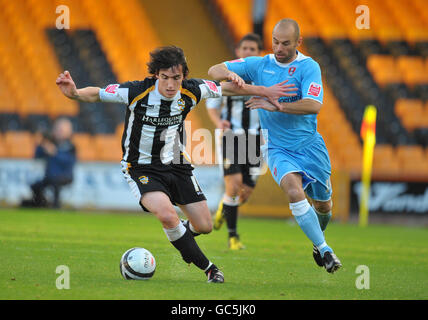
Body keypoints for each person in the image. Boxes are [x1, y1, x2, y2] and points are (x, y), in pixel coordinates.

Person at [56, 46, 296, 283]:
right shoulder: (136, 91)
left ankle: (180, 236)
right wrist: (75, 93)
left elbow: (228, 89)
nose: (171, 84)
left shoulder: (192, 91)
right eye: (165, 78)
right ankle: (210, 269)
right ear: (155, 76)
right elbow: (97, 93)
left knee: (205, 226)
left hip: (177, 165)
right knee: (167, 215)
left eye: (176, 78)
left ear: (184, 76)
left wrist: (264, 90)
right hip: (141, 167)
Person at [208, 19, 342, 273]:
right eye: (275, 42)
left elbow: (314, 105)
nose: (279, 48)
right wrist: (234, 76)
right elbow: (214, 72)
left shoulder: (308, 67)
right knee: (293, 191)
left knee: (323, 205)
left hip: (310, 146)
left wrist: (277, 105)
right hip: (277, 147)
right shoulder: (260, 64)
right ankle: (325, 250)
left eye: (286, 43)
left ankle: (317, 241)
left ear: (298, 43)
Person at [205, 33, 264, 250]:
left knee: (245, 192)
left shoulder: (264, 77)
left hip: (257, 139)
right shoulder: (226, 76)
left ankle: (222, 209)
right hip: (232, 136)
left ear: (259, 53)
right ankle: (233, 238)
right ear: (238, 52)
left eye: (253, 49)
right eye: (245, 49)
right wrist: (218, 122)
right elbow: (212, 105)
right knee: (234, 183)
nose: (248, 52)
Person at [28, 118, 76, 208]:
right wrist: (41, 144)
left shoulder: (70, 146)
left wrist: (55, 152)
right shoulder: (50, 142)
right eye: (57, 129)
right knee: (35, 186)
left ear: (68, 132)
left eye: (61, 130)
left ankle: (56, 206)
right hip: (50, 176)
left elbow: (69, 161)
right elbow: (37, 155)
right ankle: (41, 205)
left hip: (65, 176)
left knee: (56, 182)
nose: (58, 132)